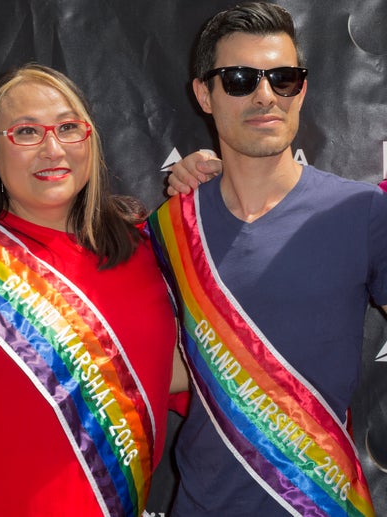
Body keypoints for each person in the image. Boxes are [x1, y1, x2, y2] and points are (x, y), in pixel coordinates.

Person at [0, 63, 189, 516]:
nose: (52, 148)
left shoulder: (144, 251)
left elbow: (185, 381)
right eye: (26, 133)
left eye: (68, 128)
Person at [148, 3, 387, 516]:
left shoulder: (364, 213)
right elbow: (161, 368)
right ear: (203, 95)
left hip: (322, 504)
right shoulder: (170, 228)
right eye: (238, 79)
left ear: (301, 89)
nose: (264, 96)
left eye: (283, 77)